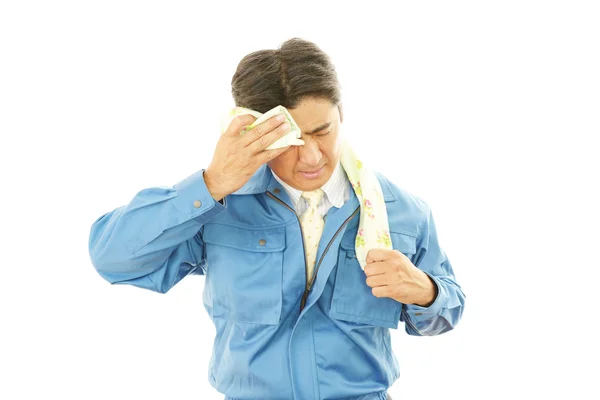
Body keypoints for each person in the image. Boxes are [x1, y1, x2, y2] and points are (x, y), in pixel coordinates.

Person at [88, 38, 465, 400]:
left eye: (323, 132)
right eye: (292, 141)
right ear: (254, 132)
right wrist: (212, 183)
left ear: (341, 116)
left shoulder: (400, 210)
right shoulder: (219, 206)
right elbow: (114, 259)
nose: (313, 157)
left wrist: (426, 291)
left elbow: (446, 313)